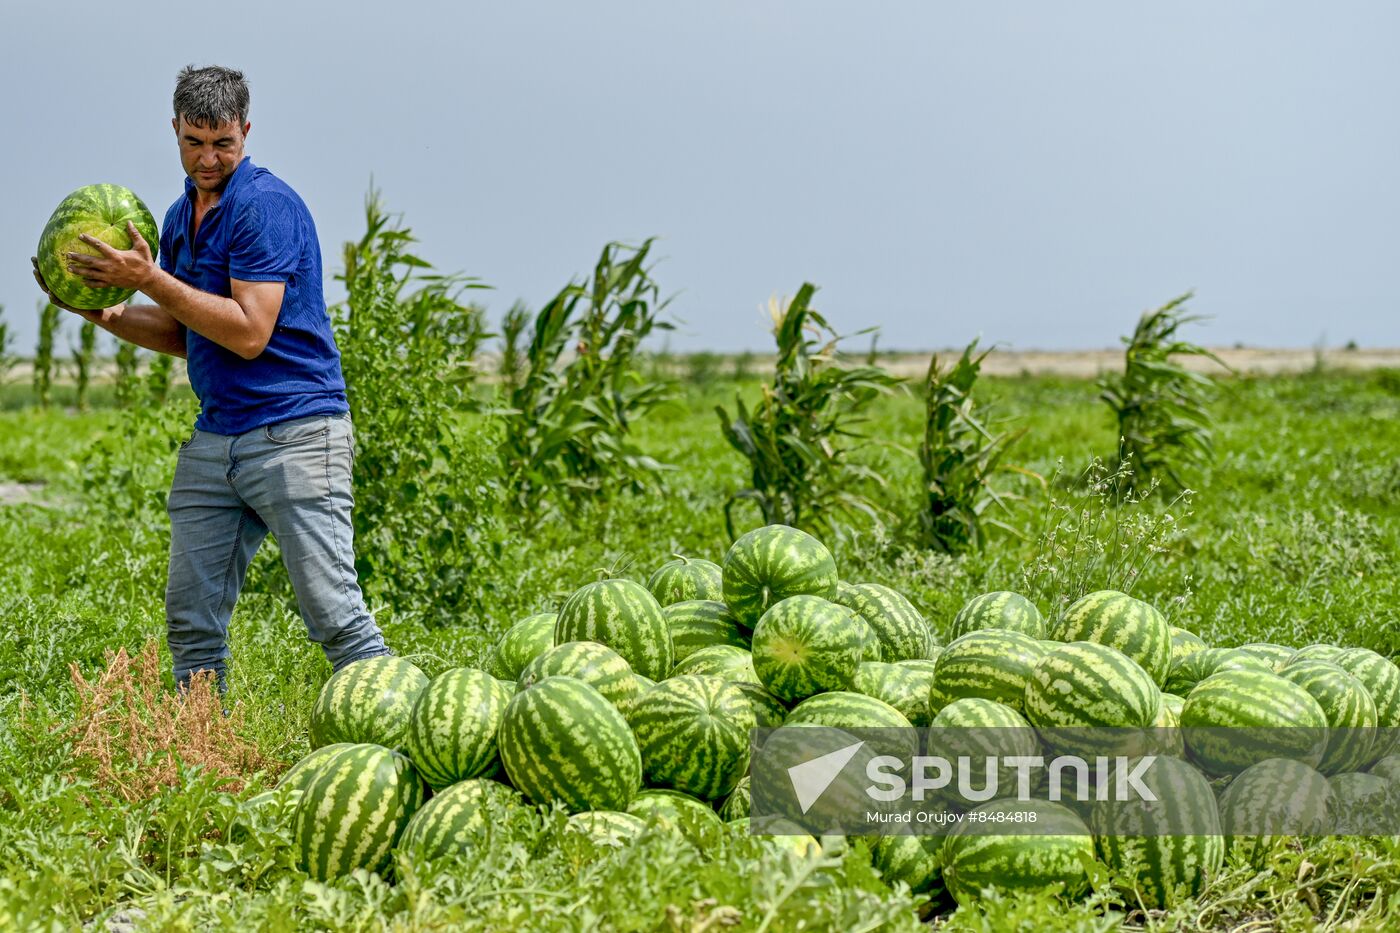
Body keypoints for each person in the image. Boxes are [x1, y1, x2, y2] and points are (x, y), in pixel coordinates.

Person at [31, 64, 390, 690]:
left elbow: (249, 333)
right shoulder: (175, 220)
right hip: (218, 436)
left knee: (335, 616)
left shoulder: (265, 206)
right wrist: (102, 311)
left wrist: (148, 279)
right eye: (194, 142)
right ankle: (205, 758)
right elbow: (187, 330)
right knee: (191, 623)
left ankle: (403, 736)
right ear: (174, 129)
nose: (208, 158)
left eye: (223, 143)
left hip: (296, 432)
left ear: (246, 131)